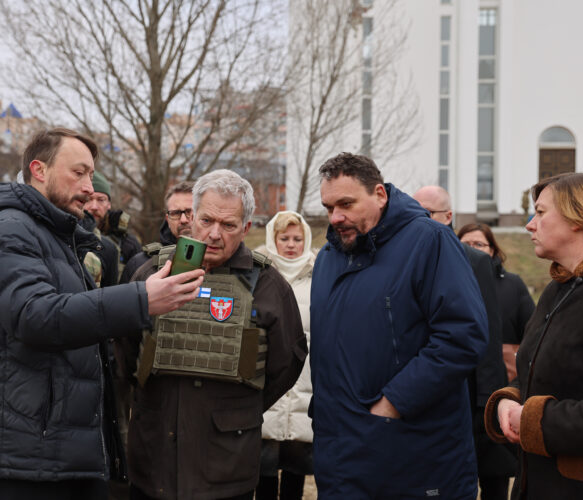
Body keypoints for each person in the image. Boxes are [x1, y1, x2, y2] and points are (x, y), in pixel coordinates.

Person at [0, 128, 204, 500]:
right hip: (19, 467)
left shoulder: (55, 235)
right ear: (39, 170)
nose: (89, 187)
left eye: (91, 174)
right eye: (79, 172)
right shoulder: (10, 231)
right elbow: (34, 316)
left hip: (57, 456)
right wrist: (141, 300)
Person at [310, 153, 488, 499]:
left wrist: (392, 404)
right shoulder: (328, 259)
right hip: (340, 460)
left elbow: (463, 336)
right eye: (328, 207)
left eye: (346, 204)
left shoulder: (430, 241)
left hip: (413, 457)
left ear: (380, 194)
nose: (336, 217)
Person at [123, 169, 307, 500]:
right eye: (206, 220)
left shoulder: (267, 285)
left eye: (228, 225)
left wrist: (234, 409)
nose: (214, 234)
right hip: (154, 461)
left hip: (226, 469)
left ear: (247, 228)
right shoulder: (152, 273)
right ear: (192, 218)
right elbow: (122, 354)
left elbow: (287, 364)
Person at [484, 173, 583, 499]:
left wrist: (532, 420)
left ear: (579, 216)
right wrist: (509, 399)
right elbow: (543, 374)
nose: (530, 225)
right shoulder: (557, 289)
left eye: (541, 212)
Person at [413, 185, 510, 500]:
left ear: (448, 216)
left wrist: (486, 398)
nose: (420, 220)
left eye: (428, 213)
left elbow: (486, 332)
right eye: (416, 213)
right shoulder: (408, 255)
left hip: (468, 394)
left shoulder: (473, 260)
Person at [254, 211, 315, 500]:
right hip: (269, 380)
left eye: (297, 239)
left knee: (296, 468)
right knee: (263, 470)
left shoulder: (319, 275)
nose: (291, 244)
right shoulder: (258, 274)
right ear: (272, 239)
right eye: (284, 238)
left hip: (306, 381)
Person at [457, 223, 535, 382]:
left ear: (492, 251)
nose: (472, 250)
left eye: (479, 244)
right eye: (465, 245)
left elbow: (532, 330)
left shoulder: (513, 284)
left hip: (501, 374)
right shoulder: (448, 285)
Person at [120, 180, 194, 284]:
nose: (183, 219)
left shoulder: (219, 258)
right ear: (167, 219)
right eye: (175, 213)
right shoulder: (140, 263)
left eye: (189, 212)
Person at [84, 172, 142, 278]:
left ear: (109, 204)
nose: (94, 206)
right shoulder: (68, 237)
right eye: (88, 199)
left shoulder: (128, 244)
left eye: (101, 200)